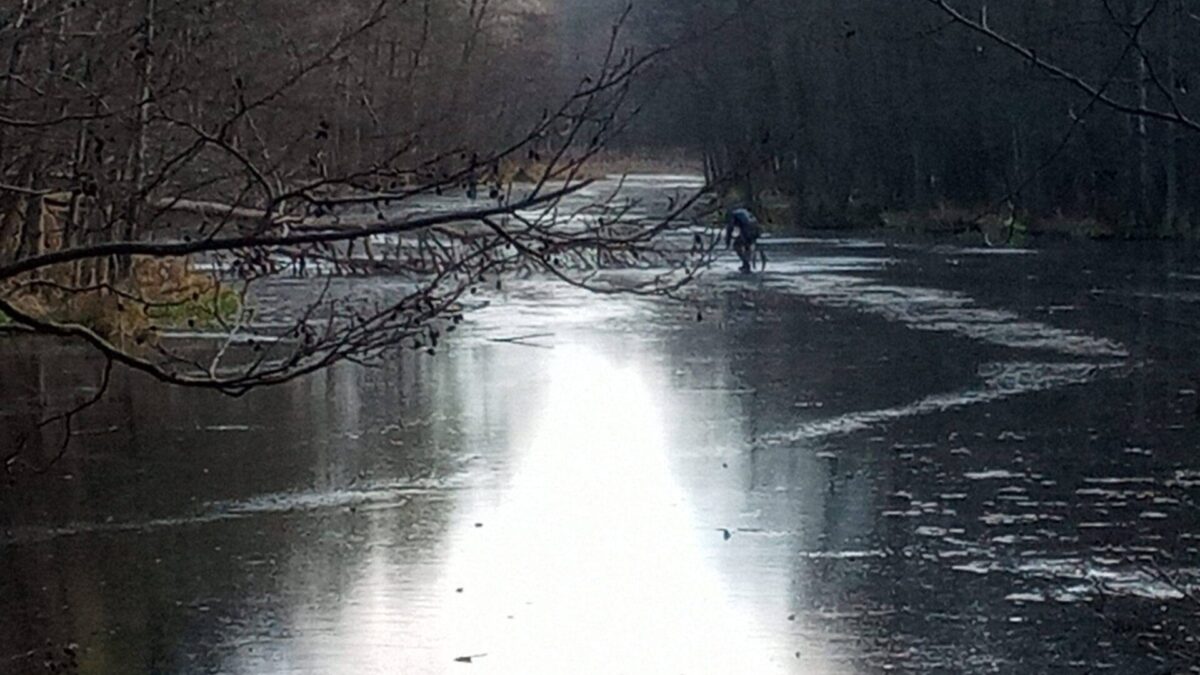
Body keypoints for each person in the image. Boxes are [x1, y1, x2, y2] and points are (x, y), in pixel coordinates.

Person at [725, 207, 762, 273]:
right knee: (747, 245)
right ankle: (746, 264)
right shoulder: (743, 211)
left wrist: (727, 241)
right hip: (756, 227)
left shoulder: (733, 215)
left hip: (747, 228)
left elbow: (730, 228)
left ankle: (746, 264)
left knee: (736, 245)